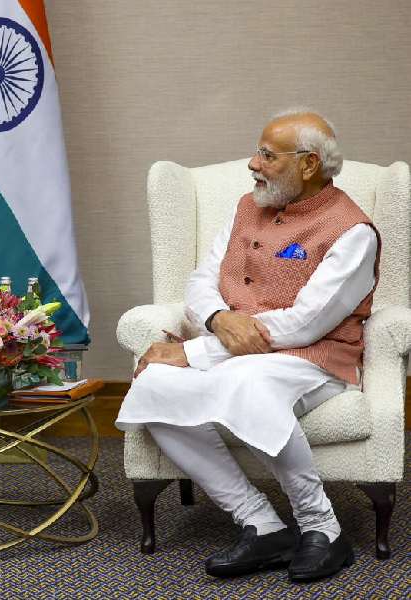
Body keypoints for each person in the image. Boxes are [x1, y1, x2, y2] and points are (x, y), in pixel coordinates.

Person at [116, 109, 377, 582]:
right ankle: (260, 523)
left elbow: (306, 324)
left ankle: (324, 528)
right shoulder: (246, 207)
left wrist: (194, 352)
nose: (253, 164)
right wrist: (218, 317)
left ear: (309, 164)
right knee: (154, 387)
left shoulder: (352, 231)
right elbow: (202, 279)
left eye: (267, 155)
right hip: (234, 347)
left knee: (245, 381)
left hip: (313, 361)